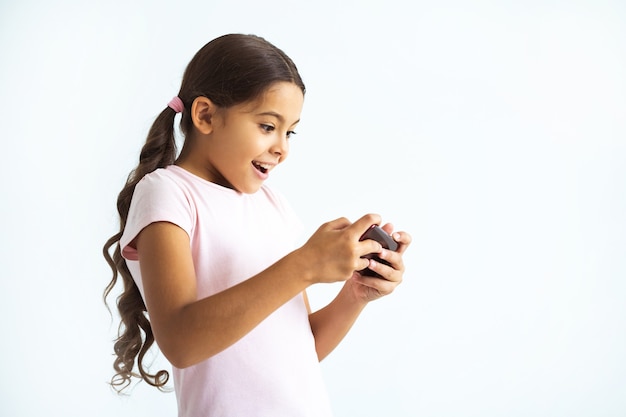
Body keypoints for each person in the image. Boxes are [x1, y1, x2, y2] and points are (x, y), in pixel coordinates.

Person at [103, 33, 411, 417]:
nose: (283, 147)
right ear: (205, 116)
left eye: (290, 131)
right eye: (268, 126)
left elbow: (302, 348)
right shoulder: (168, 192)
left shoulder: (271, 205)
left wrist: (355, 295)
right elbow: (181, 342)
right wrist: (305, 265)